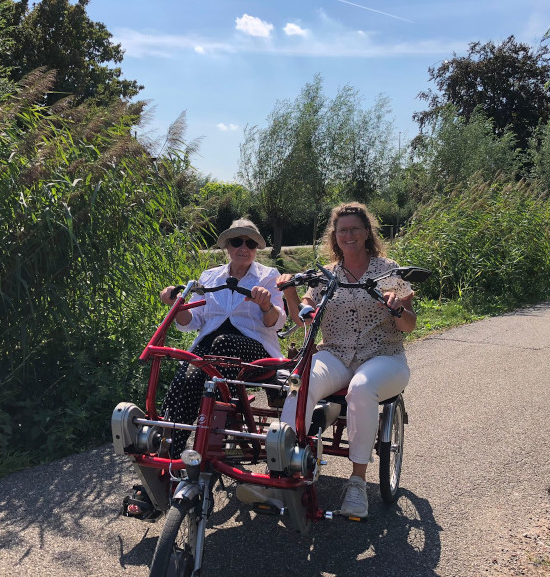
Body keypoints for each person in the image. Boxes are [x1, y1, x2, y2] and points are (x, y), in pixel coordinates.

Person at [278, 202, 416, 518]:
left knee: (361, 388)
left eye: (355, 229)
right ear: (335, 236)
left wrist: (396, 308)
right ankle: (284, 465)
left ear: (367, 233)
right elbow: (304, 319)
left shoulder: (388, 271)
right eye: (343, 231)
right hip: (336, 354)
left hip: (384, 356)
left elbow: (409, 324)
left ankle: (357, 481)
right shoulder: (327, 276)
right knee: (300, 380)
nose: (349, 235)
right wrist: (289, 294)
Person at [159, 219, 286, 457]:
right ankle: (170, 452)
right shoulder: (210, 277)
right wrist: (177, 306)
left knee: (222, 344)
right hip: (211, 350)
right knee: (188, 372)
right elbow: (194, 322)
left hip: (256, 352)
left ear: (257, 249)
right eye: (237, 241)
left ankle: (209, 444)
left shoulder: (268, 276)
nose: (243, 247)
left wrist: (267, 305)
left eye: (250, 243)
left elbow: (277, 323)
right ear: (227, 246)